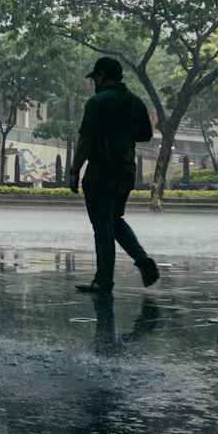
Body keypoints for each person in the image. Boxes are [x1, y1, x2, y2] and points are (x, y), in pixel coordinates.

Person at [69, 56, 159, 294]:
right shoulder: (136, 103)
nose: (94, 83)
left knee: (102, 226)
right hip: (126, 171)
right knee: (115, 219)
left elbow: (86, 139)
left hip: (101, 172)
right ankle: (141, 259)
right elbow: (145, 135)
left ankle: (103, 280)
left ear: (101, 75)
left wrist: (74, 170)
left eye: (95, 78)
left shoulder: (98, 102)